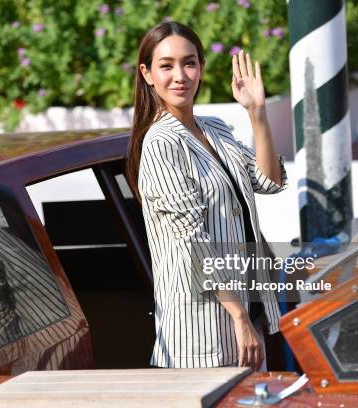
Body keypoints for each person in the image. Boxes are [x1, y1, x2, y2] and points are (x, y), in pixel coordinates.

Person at [126, 22, 287, 369]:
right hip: (202, 333)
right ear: (148, 74)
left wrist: (257, 113)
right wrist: (239, 317)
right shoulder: (161, 144)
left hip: (248, 313)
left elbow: (269, 181)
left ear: (200, 67)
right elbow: (192, 242)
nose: (180, 75)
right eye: (166, 65)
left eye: (189, 63)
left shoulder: (214, 127)